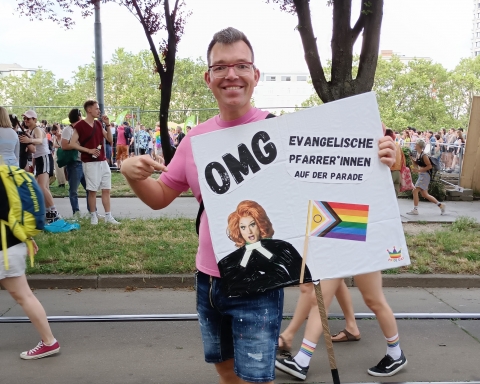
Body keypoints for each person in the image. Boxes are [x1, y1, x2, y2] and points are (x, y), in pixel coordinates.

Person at [120, 27, 397, 383]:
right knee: (223, 367)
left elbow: (339, 180)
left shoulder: (282, 132)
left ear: (255, 75)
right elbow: (160, 198)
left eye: (241, 65)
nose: (231, 74)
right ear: (208, 78)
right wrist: (132, 175)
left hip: (257, 286)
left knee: (255, 377)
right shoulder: (194, 139)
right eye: (220, 67)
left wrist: (388, 158)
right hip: (207, 278)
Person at [0, 176, 61, 360]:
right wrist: (26, 237)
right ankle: (49, 341)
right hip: (12, 244)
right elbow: (12, 212)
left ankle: (49, 342)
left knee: (24, 296)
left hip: (4, 249)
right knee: (24, 296)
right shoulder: (5, 176)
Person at [68, 100, 120, 225]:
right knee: (92, 191)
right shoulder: (80, 125)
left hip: (102, 161)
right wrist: (88, 150)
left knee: (106, 188)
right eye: (96, 108)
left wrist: (107, 125)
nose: (99, 111)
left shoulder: (98, 124)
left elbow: (109, 140)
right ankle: (93, 217)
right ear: (89, 110)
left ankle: (108, 216)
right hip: (89, 162)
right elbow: (72, 143)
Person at [18, 110, 60, 224]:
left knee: (42, 187)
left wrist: (29, 140)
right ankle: (49, 212)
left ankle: (54, 212)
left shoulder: (37, 129)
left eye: (28, 119)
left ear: (34, 120)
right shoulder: (31, 131)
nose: (26, 120)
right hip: (40, 160)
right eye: (25, 119)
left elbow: (40, 140)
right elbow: (34, 151)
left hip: (45, 158)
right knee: (43, 187)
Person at [61, 108, 93, 217]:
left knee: (89, 188)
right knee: (73, 190)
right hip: (74, 163)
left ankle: (92, 211)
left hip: (84, 162)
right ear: (78, 117)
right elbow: (64, 145)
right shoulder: (68, 130)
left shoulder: (81, 129)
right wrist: (76, 145)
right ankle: (76, 212)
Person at [407, 139, 446, 216]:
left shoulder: (424, 155)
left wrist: (418, 171)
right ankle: (440, 205)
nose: (414, 145)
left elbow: (429, 166)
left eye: (416, 144)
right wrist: (411, 158)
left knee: (415, 191)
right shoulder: (419, 154)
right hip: (423, 175)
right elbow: (416, 164)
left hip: (424, 175)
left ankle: (415, 210)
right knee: (425, 195)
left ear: (419, 146)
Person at [385, 128, 404, 196]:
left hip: (389, 172)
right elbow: (403, 161)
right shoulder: (398, 146)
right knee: (394, 197)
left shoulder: (386, 146)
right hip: (398, 173)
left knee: (386, 195)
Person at [51, 123, 66, 188]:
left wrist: (59, 146)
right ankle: (60, 182)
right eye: (53, 133)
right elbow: (54, 145)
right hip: (57, 153)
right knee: (57, 169)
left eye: (55, 133)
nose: (55, 134)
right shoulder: (54, 137)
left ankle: (63, 182)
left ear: (57, 130)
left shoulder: (62, 136)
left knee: (62, 169)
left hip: (62, 153)